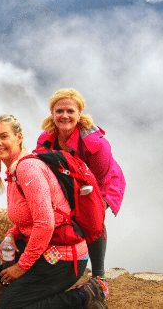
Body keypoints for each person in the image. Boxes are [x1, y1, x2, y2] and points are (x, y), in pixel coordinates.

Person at [0, 115, 108, 308]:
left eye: (3, 136)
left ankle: (84, 296)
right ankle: (28, 290)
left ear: (19, 137)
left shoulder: (28, 169)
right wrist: (11, 235)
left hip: (62, 257)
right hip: (42, 247)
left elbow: (45, 223)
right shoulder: (14, 169)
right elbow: (28, 218)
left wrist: (21, 267)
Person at [37, 88, 126, 279]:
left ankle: (99, 276)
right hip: (69, 181)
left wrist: (89, 206)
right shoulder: (46, 139)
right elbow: (41, 167)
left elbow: (100, 177)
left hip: (102, 184)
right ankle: (58, 267)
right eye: (59, 111)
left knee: (93, 221)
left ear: (79, 114)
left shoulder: (96, 144)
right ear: (52, 114)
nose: (65, 115)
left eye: (70, 111)